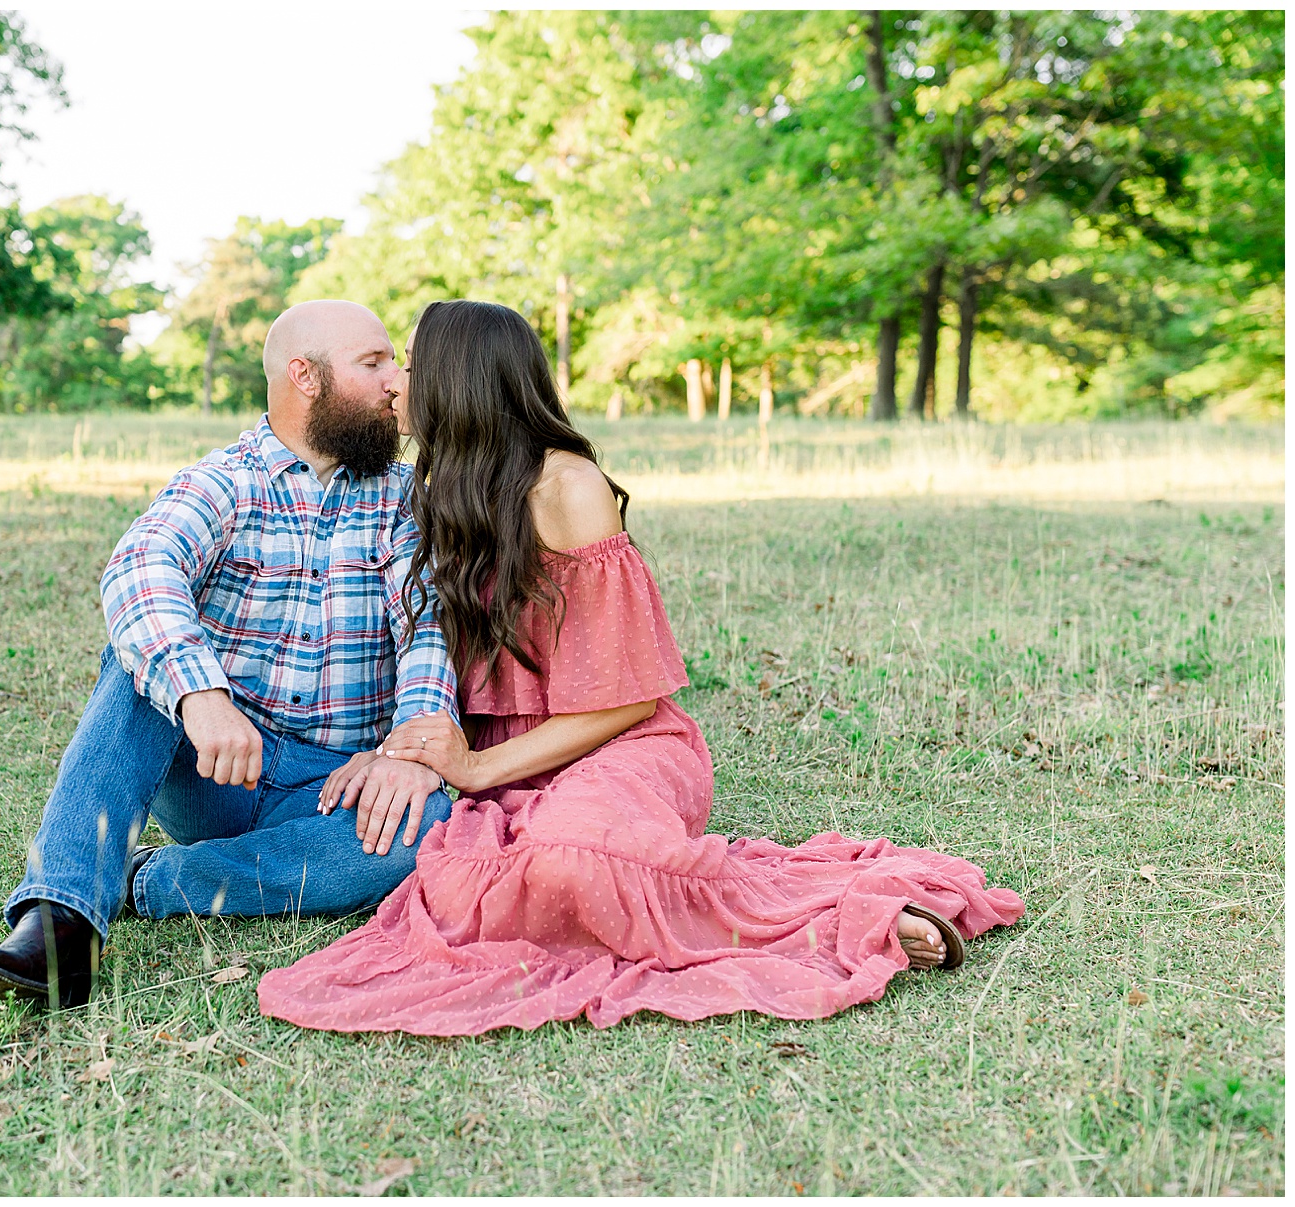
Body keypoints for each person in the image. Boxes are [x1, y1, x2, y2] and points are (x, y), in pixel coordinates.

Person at [257, 300, 1025, 1035]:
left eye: (413, 367)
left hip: (619, 745)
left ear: (459, 381)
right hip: (509, 760)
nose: (395, 382)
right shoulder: (438, 491)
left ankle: (852, 916)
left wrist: (479, 766)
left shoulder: (568, 488)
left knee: (577, 864)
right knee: (461, 878)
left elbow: (624, 703)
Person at [0, 300, 457, 1011]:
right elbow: (140, 568)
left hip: (329, 785)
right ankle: (59, 922)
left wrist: (407, 753)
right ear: (304, 376)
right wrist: (201, 695)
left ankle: (147, 881)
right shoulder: (223, 481)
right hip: (215, 763)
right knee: (137, 669)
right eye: (373, 364)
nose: (396, 383)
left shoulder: (405, 499)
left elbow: (426, 629)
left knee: (427, 825)